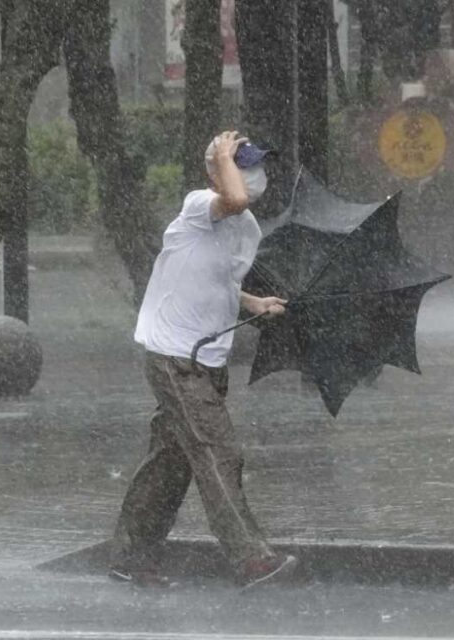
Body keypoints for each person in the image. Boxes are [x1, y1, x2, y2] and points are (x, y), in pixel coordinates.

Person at [109, 131, 296, 589]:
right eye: (242, 165)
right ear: (215, 172)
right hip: (175, 356)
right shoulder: (199, 205)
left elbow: (218, 277)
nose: (255, 175)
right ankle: (251, 559)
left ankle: (131, 557)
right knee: (218, 451)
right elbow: (232, 197)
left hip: (207, 358)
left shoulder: (245, 228)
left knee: (171, 461)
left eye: (256, 165)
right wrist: (221, 157)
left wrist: (252, 302)